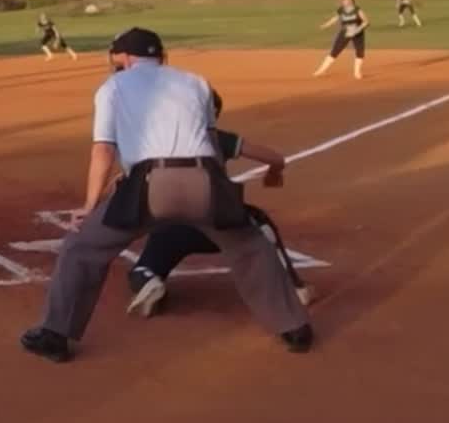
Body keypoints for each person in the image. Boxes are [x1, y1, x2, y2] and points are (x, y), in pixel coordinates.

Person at [19, 27, 312, 363]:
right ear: (160, 55)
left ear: (125, 57)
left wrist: (89, 205)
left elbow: (103, 151)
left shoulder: (112, 87)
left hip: (150, 184)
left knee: (82, 247)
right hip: (205, 180)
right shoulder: (196, 82)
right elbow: (210, 142)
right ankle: (294, 327)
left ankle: (55, 335)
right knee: (251, 247)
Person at [123, 122, 313, 317]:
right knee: (259, 221)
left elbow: (127, 182)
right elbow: (275, 159)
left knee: (144, 266)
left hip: (172, 228)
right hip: (220, 225)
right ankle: (293, 286)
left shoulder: (157, 143)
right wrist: (274, 172)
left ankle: (147, 280)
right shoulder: (216, 138)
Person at [315, 0, 369, 79]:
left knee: (360, 52)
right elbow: (336, 18)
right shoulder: (341, 10)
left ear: (351, 1)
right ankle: (321, 70)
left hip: (357, 33)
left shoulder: (357, 10)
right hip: (345, 32)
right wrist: (326, 25)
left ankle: (357, 72)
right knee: (335, 50)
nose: (343, 1)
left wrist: (357, 30)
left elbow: (366, 22)